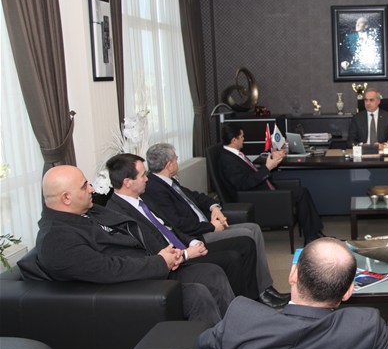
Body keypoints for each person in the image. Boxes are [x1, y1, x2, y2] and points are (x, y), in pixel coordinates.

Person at [35, 165, 232, 324]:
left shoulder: (90, 211)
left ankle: (233, 335)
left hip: (148, 265)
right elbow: (107, 269)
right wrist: (160, 262)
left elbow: (134, 228)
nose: (92, 189)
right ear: (66, 198)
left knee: (211, 273)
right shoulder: (55, 238)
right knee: (197, 295)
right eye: (85, 186)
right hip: (129, 287)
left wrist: (165, 254)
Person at [196, 237, 388, 349]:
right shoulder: (364, 328)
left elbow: (203, 347)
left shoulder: (240, 319)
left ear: (293, 275)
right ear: (347, 292)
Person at [104, 153, 281, 307]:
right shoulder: (118, 214)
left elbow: (171, 227)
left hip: (187, 244)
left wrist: (192, 241)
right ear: (127, 182)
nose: (147, 179)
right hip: (175, 260)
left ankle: (249, 303)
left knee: (243, 245)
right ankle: (241, 312)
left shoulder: (142, 199)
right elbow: (151, 246)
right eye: (143, 175)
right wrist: (187, 253)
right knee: (231, 258)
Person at [217, 123, 324, 244]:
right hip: (258, 197)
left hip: (263, 188)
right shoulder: (227, 161)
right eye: (242, 137)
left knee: (302, 191)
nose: (244, 139)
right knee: (301, 193)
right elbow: (243, 184)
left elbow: (250, 175)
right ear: (234, 140)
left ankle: (314, 232)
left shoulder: (234, 154)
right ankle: (311, 236)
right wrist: (267, 168)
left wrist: (272, 161)